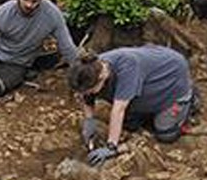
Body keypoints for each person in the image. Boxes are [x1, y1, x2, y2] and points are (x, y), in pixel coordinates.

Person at [67, 45, 198, 166]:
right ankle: (147, 109)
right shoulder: (90, 69)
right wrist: (89, 121)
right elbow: (87, 96)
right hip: (146, 84)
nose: (87, 94)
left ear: (101, 76)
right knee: (130, 125)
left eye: (90, 90)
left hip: (172, 79)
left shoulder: (127, 66)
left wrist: (111, 147)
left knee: (166, 134)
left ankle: (190, 98)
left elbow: (118, 109)